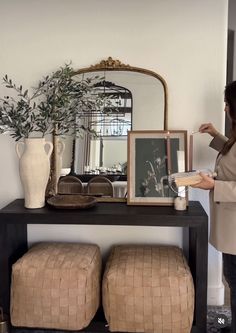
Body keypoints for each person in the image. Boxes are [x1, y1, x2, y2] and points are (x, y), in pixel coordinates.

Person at [192, 80, 236, 333]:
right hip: (230, 227)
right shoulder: (234, 136)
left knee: (235, 281)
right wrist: (215, 135)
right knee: (232, 279)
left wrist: (213, 186)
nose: (225, 109)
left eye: (228, 104)